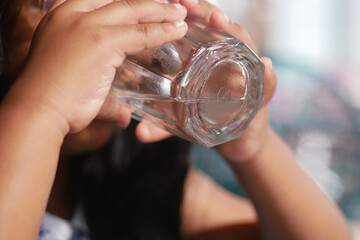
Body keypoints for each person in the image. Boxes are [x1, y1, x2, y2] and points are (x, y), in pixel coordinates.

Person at [0, 0, 352, 239]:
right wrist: (43, 108)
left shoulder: (133, 186)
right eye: (77, 9)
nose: (112, 34)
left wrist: (254, 149)